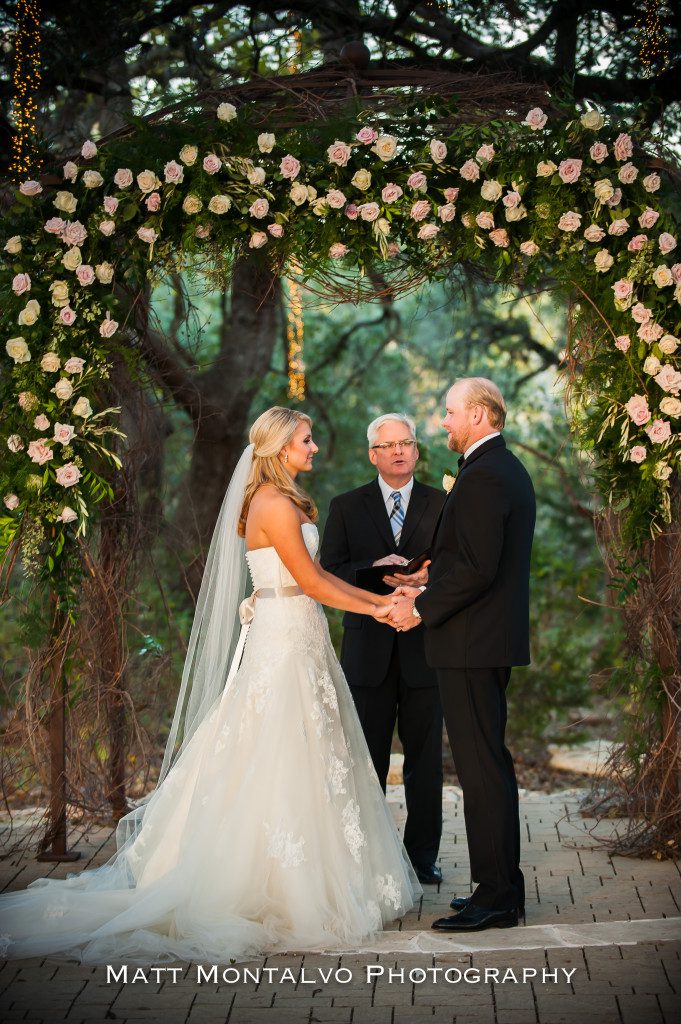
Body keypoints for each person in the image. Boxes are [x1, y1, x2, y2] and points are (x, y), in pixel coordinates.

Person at [0, 407, 421, 963]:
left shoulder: (286, 499)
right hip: (284, 638)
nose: (314, 447)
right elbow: (311, 581)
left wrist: (382, 601)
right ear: (280, 447)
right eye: (306, 439)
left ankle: (316, 876)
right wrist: (382, 609)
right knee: (278, 747)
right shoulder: (272, 503)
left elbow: (316, 579)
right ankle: (275, 885)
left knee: (308, 749)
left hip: (301, 633)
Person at [389, 378, 535, 933]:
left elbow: (477, 569)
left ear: (478, 414)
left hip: (472, 643)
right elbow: (471, 558)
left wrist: (420, 607)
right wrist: (425, 578)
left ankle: (496, 897)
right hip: (480, 640)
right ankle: (502, 888)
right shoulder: (496, 469)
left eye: (450, 412)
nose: (443, 422)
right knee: (485, 765)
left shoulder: (487, 475)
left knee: (482, 770)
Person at [320, 413, 446, 885]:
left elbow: (458, 566)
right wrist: (373, 566)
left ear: (416, 451)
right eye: (388, 445)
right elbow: (328, 570)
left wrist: (426, 577)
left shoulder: (442, 503)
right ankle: (368, 859)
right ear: (373, 454)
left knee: (425, 763)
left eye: (406, 443)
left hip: (425, 649)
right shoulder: (346, 506)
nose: (398, 451)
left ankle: (422, 858)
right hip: (367, 651)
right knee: (365, 760)